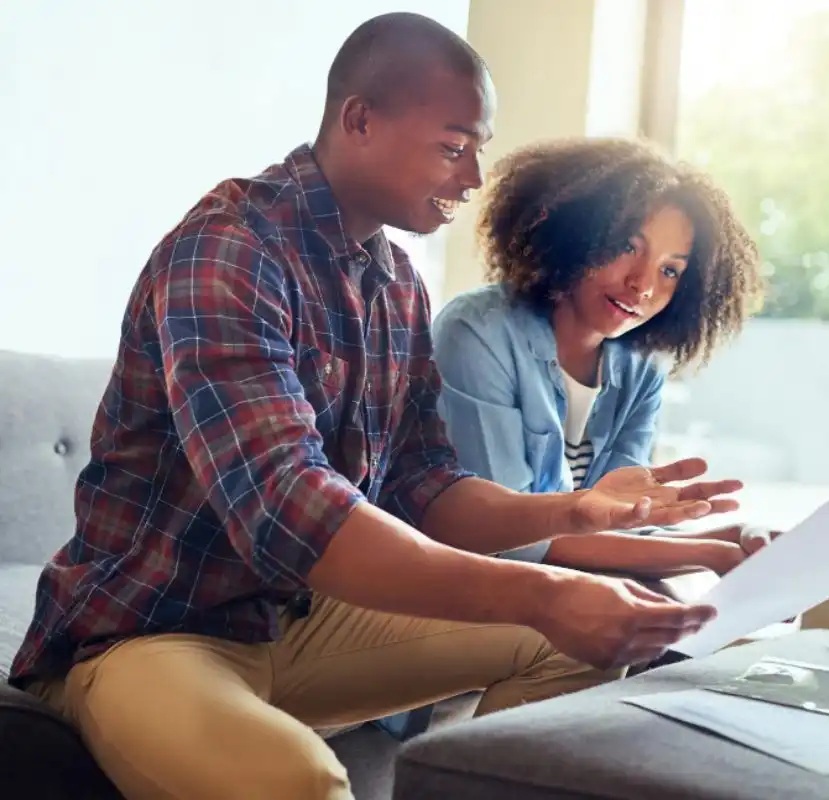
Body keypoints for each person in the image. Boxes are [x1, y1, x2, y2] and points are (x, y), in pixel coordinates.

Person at [7, 14, 741, 800]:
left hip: (294, 622)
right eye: (455, 146)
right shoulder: (227, 251)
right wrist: (541, 588)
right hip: (149, 633)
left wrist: (573, 511)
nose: (473, 177)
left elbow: (425, 486)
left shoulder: (394, 280)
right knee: (294, 781)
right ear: (360, 120)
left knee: (581, 639)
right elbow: (293, 508)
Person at [430, 136, 768, 578]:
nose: (643, 285)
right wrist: (704, 556)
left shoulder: (641, 370)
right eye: (629, 247)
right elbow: (509, 543)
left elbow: (620, 528)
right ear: (576, 233)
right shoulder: (478, 333)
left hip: (565, 591)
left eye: (670, 271)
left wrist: (731, 537)